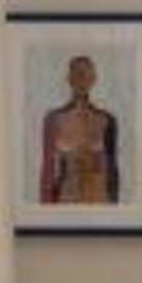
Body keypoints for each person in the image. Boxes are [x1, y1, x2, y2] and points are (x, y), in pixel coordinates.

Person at [38, 54, 120, 205]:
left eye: (87, 74)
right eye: (77, 74)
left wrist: (114, 210)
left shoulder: (107, 120)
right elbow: (48, 172)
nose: (82, 80)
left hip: (100, 202)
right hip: (66, 202)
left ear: (94, 79)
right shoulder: (53, 119)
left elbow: (112, 172)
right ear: (69, 79)